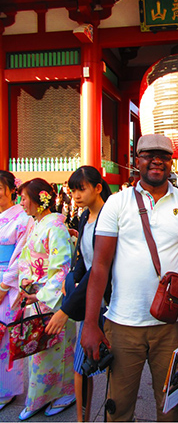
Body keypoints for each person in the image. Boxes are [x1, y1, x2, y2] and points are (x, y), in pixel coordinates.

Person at [81, 134, 178, 422]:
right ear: (136, 160)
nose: (156, 161)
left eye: (163, 156)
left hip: (174, 325)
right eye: (148, 155)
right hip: (123, 324)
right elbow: (100, 265)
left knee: (169, 407)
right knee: (118, 407)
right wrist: (90, 323)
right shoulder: (117, 203)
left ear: (171, 162)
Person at [46, 166, 112, 421]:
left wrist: (65, 310)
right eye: (72, 189)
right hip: (89, 300)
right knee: (81, 366)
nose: (75, 194)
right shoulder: (85, 217)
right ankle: (82, 419)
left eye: (80, 189)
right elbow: (83, 262)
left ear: (97, 188)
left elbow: (100, 268)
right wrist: (69, 281)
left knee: (111, 367)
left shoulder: (110, 217)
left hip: (110, 301)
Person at [17, 178, 76, 421]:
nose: (22, 203)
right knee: (40, 352)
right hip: (37, 296)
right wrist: (25, 280)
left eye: (24, 198)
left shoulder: (56, 227)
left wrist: (40, 294)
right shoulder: (37, 224)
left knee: (56, 350)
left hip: (52, 300)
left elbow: (61, 268)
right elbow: (24, 257)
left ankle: (66, 394)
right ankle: (39, 397)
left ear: (38, 200)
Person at [0, 171, 33, 411]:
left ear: (11, 189)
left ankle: (6, 390)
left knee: (5, 337)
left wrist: (4, 286)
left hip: (6, 283)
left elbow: (21, 255)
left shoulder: (22, 218)